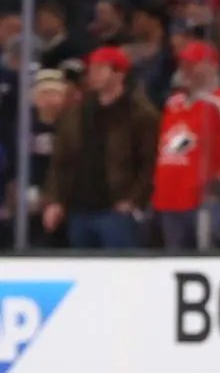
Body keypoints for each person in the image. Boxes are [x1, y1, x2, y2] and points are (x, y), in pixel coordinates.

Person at [43, 46, 159, 251]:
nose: (93, 74)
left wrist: (133, 200)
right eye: (92, 69)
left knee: (120, 272)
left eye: (100, 68)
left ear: (119, 73)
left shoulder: (140, 114)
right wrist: (55, 200)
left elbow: (149, 162)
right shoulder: (76, 112)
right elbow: (61, 161)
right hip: (79, 207)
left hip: (115, 209)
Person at [153, 40, 220, 249]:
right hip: (168, 200)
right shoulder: (173, 104)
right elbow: (167, 148)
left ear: (212, 66)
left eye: (193, 64)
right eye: (184, 65)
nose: (186, 70)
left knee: (207, 262)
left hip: (206, 204)